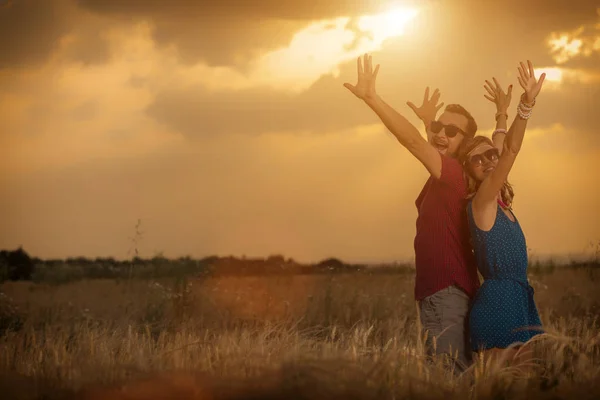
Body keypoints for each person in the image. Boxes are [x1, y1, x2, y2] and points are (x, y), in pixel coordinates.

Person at [344, 54, 480, 372]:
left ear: (467, 142)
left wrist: (372, 98)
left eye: (452, 130)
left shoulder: (452, 173)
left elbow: (415, 144)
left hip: (446, 291)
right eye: (438, 126)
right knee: (454, 378)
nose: (441, 133)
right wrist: (427, 124)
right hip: (447, 291)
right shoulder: (450, 175)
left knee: (447, 381)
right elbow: (433, 145)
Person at [458, 60, 546, 367]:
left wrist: (501, 113)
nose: (485, 160)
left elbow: (499, 147)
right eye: (475, 160)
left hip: (520, 301)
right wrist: (526, 104)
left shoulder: (500, 202)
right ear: (469, 173)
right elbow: (507, 150)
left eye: (488, 155)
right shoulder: (480, 202)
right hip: (497, 305)